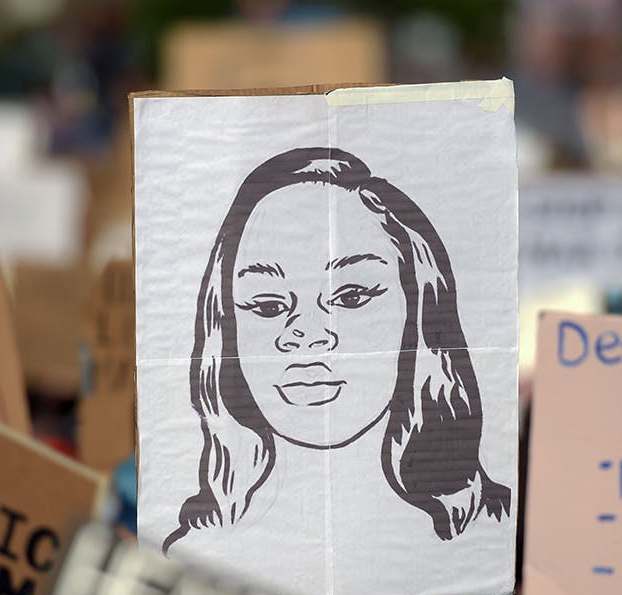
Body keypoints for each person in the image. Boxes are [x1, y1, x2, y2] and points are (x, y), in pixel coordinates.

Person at [163, 147, 512, 556]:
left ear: (417, 308)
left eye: (350, 296)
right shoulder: (196, 557)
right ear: (225, 325)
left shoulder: (486, 537)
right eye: (269, 306)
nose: (307, 335)